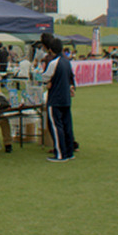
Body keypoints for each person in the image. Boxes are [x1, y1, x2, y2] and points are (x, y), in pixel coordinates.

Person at [41, 33, 76, 163]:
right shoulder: (67, 62)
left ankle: (60, 154)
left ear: (50, 49)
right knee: (67, 125)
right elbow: (71, 78)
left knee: (56, 126)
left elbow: (44, 77)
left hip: (55, 98)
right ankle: (69, 151)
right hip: (66, 98)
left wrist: (46, 81)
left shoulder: (54, 63)